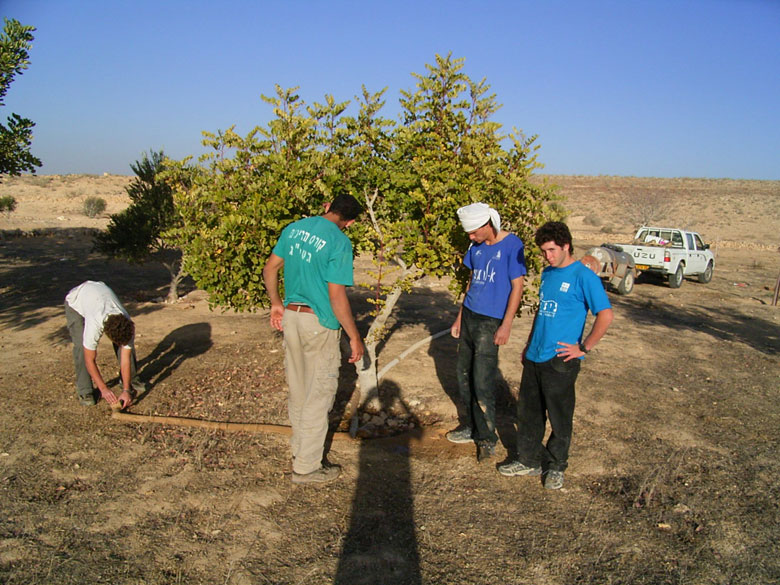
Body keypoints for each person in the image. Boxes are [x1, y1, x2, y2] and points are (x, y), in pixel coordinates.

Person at [498, 221, 613, 489]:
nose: (547, 256)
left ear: (566, 246)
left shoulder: (584, 276)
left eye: (551, 250)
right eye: (544, 251)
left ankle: (556, 466)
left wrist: (583, 347)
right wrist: (529, 344)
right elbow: (542, 312)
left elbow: (605, 315)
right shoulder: (548, 274)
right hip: (535, 356)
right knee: (528, 412)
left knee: (560, 417)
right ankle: (528, 460)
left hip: (561, 360)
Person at [262, 193, 365, 485]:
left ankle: (300, 453)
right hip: (318, 323)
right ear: (351, 221)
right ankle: (307, 468)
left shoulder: (294, 228)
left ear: (327, 207)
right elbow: (336, 295)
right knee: (318, 394)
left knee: (299, 389)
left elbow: (270, 267)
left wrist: (276, 303)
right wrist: (354, 336)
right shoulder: (340, 241)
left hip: (292, 318)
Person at [447, 202, 526, 462]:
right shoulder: (476, 248)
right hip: (470, 315)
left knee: (483, 380)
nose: (470, 237)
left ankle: (487, 438)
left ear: (487, 225)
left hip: (491, 321)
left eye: (473, 232)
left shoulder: (513, 245)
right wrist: (460, 317)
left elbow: (517, 287)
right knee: (463, 374)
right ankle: (470, 426)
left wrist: (507, 324)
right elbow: (471, 282)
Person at [64, 280, 144, 409]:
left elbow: (125, 359)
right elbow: (90, 360)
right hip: (76, 302)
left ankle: (130, 381)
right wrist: (104, 388)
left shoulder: (127, 323)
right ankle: (85, 391)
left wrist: (126, 390)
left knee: (128, 349)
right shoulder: (95, 324)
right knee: (81, 347)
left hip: (99, 293)